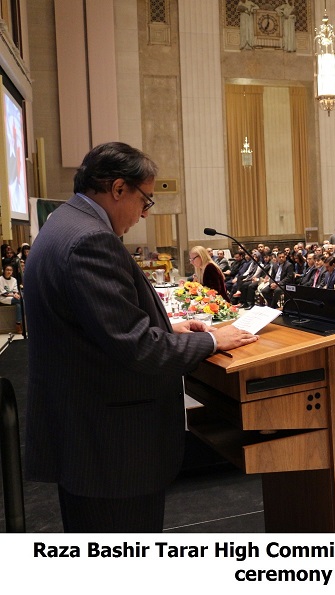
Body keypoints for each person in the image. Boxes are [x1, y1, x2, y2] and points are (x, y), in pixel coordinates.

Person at [24, 142, 258, 533]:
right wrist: (214, 341)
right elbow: (137, 347)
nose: (144, 214)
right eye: (145, 201)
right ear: (118, 189)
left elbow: (96, 328)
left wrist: (169, 329)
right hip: (111, 445)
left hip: (84, 429)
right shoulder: (90, 241)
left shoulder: (63, 224)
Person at [0, 263, 22, 333]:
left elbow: (15, 290)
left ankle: (18, 323)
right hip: (3, 298)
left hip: (13, 297)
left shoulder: (14, 280)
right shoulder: (0, 279)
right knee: (21, 301)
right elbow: (3, 293)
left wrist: (16, 294)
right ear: (4, 270)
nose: (9, 272)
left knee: (20, 303)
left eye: (11, 270)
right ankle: (18, 324)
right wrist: (14, 295)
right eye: (7, 270)